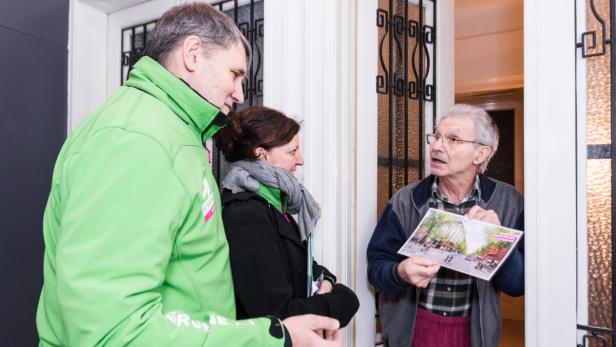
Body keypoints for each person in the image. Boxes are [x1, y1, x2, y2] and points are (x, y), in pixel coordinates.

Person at [36, 3, 342, 346]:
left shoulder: (171, 134)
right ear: (193, 54)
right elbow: (112, 330)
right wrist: (272, 339)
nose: (240, 93)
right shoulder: (137, 140)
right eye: (235, 74)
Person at [367, 104, 524, 347]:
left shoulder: (508, 202)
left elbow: (516, 285)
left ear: (480, 154)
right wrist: (401, 272)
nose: (437, 146)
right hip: (414, 330)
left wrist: (496, 236)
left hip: (474, 334)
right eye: (437, 137)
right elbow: (376, 269)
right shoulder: (406, 200)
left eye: (453, 139)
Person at [215, 106, 359, 327]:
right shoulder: (245, 214)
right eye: (292, 152)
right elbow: (276, 313)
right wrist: (343, 299)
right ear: (261, 153)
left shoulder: (273, 203)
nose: (300, 160)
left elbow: (303, 265)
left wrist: (327, 280)